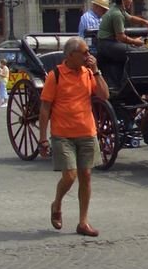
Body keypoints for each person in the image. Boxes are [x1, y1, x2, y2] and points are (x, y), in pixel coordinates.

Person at [38, 37, 110, 237]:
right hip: (63, 134)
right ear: (71, 55)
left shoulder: (88, 73)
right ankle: (57, 203)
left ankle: (83, 222)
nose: (89, 56)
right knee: (70, 175)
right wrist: (43, 137)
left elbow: (104, 96)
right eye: (85, 52)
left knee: (86, 176)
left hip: (87, 131)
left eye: (89, 52)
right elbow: (45, 108)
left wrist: (96, 71)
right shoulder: (56, 76)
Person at [96, 0, 148, 84]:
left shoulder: (118, 9)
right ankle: (128, 82)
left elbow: (131, 18)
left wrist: (146, 22)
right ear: (123, 0)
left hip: (110, 43)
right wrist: (135, 41)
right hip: (108, 45)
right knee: (136, 52)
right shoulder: (117, 14)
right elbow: (121, 37)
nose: (131, 1)